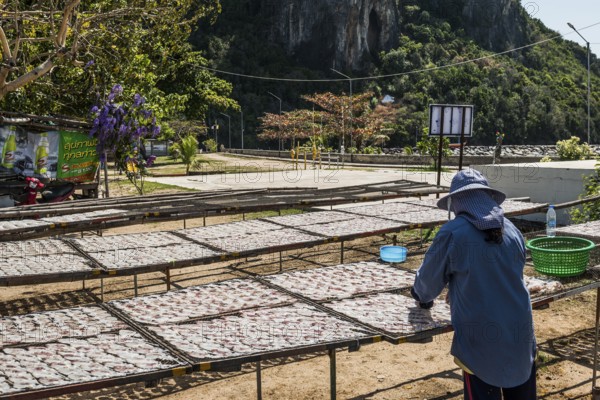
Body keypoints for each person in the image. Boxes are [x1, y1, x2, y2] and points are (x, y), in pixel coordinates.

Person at [411, 169, 537, 400]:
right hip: (520, 331)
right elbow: (504, 274)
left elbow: (427, 283)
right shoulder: (512, 230)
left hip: (481, 337)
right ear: (486, 198)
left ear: (458, 202)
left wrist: (421, 297)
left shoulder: (453, 232)